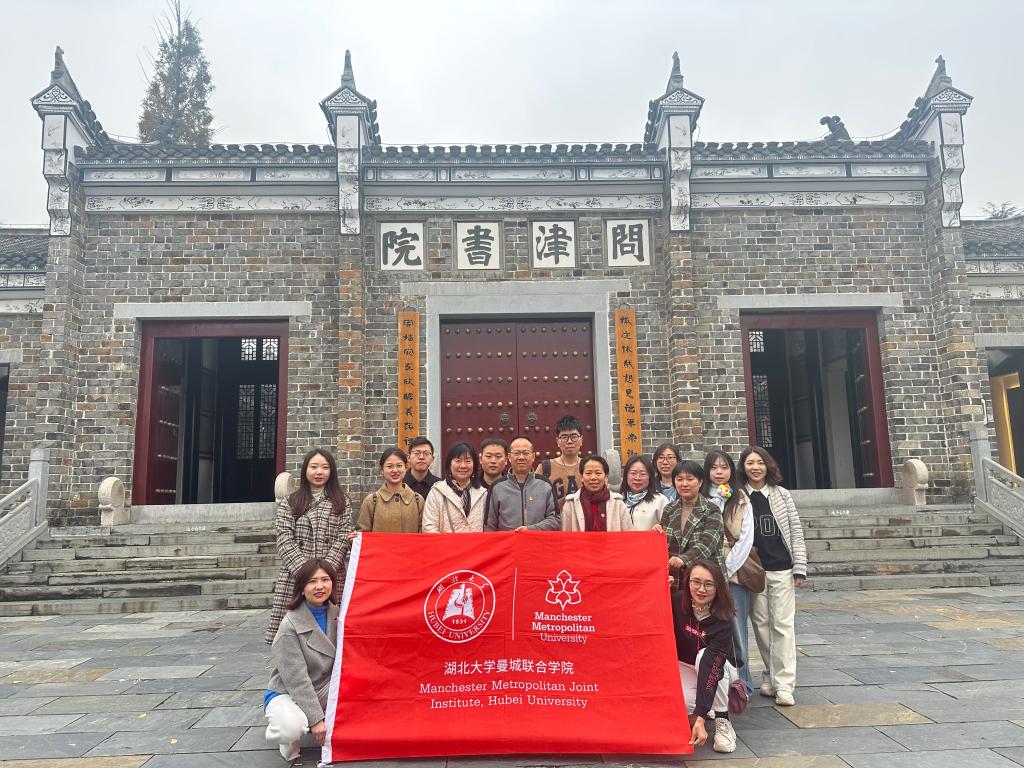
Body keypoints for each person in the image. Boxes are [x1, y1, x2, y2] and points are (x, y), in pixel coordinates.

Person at [737, 445, 807, 707]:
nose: (755, 467)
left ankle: (784, 683)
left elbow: (795, 530)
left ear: (768, 466)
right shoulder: (739, 495)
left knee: (783, 625)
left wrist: (800, 566)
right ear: (743, 467)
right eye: (750, 463)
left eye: (760, 462)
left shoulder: (781, 494)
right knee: (761, 625)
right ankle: (770, 674)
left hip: (781, 568)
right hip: (754, 571)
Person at [267, 448, 352, 644]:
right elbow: (284, 538)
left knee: (330, 634)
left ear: (331, 471)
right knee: (293, 637)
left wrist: (324, 574)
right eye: (314, 467)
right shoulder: (291, 502)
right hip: (296, 576)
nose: (319, 472)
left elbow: (342, 539)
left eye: (325, 467)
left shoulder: (342, 502)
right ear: (305, 470)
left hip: (331, 576)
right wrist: (307, 574)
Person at [264, 558, 339, 762]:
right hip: (289, 691)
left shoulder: (339, 614)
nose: (319, 586)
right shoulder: (289, 625)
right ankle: (283, 730)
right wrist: (316, 720)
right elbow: (297, 680)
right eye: (312, 581)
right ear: (302, 587)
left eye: (325, 580)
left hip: (326, 687)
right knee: (291, 728)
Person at [671, 559, 739, 754]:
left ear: (718, 587)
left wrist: (700, 718)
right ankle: (705, 704)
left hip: (718, 667)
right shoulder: (676, 601)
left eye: (708, 584)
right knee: (684, 704)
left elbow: (712, 666)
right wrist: (658, 587)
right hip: (685, 665)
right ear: (688, 582)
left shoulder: (724, 618)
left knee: (705, 657)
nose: (701, 589)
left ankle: (722, 718)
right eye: (696, 582)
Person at [703, 450, 755, 694]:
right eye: (714, 467)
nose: (719, 472)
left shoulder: (741, 499)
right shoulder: (702, 498)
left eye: (724, 467)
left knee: (737, 628)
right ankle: (711, 681)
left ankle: (742, 682)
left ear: (731, 471)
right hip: (705, 573)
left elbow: (745, 538)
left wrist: (726, 570)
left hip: (733, 573)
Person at [658, 460, 725, 586]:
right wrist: (657, 532)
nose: (684, 484)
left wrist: (684, 559)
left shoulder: (711, 510)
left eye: (690, 479)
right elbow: (663, 543)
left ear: (700, 482)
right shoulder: (669, 509)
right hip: (675, 579)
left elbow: (708, 543)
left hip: (705, 578)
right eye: (679, 479)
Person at [485, 436, 560, 531]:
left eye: (525, 453)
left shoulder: (545, 485)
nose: (521, 457)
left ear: (533, 456)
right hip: (508, 540)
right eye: (517, 453)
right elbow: (489, 525)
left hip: (537, 540)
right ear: (509, 457)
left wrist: (531, 529)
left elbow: (555, 519)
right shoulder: (497, 487)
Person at [423, 442, 488, 533]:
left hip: (477, 543)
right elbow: (429, 528)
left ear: (474, 465)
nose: (463, 466)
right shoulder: (437, 492)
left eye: (468, 461)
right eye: (458, 461)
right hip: (445, 542)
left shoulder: (483, 494)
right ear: (449, 464)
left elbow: (488, 528)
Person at [356, 448, 424, 533]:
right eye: (389, 466)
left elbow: (423, 535)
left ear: (406, 467)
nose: (395, 470)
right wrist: (355, 537)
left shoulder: (418, 501)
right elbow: (363, 535)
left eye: (399, 466)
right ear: (381, 470)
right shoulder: (371, 501)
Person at [562, 454, 633, 532]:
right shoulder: (571, 504)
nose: (593, 478)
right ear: (581, 477)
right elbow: (565, 535)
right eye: (588, 473)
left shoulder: (618, 503)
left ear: (606, 477)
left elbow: (628, 534)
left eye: (598, 473)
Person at [535, 415, 584, 510]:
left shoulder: (589, 467)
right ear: (557, 441)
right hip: (555, 519)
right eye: (564, 437)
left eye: (574, 436)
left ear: (581, 439)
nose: (569, 441)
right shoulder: (545, 468)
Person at [619, 454, 666, 530]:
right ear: (626, 476)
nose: (637, 478)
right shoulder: (618, 500)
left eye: (643, 474)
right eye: (633, 473)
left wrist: (660, 527)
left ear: (650, 477)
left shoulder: (660, 500)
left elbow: (670, 528)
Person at [404, 436, 440, 501]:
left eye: (426, 453)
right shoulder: (399, 483)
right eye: (416, 453)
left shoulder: (439, 486)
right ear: (408, 458)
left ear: (432, 459)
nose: (421, 457)